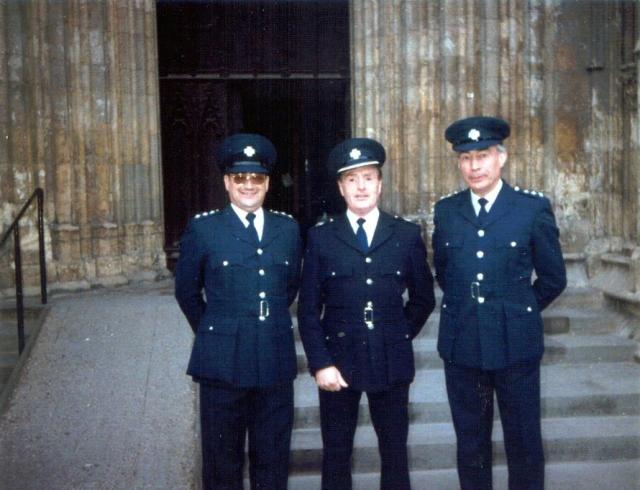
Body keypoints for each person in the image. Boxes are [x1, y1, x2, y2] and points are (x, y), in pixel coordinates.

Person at [432, 116, 567, 490]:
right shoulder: (446, 211)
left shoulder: (530, 208)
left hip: (516, 345)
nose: (474, 166)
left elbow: (554, 278)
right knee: (471, 443)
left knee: (523, 442)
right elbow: (445, 273)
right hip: (463, 346)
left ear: (501, 158)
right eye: (465, 158)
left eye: (483, 155)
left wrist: (516, 309)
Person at [298, 137, 436, 490]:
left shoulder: (405, 234)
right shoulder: (321, 237)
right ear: (341, 187)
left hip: (390, 360)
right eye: (352, 179)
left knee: (394, 452)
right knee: (336, 452)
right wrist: (320, 363)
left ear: (380, 184)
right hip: (337, 361)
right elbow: (309, 310)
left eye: (368, 177)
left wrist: (397, 334)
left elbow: (423, 299)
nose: (361, 186)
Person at [174, 133, 302, 490]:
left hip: (274, 359)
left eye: (256, 178)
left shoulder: (287, 229)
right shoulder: (204, 229)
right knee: (221, 463)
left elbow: (289, 287)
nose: (249, 186)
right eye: (240, 178)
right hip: (221, 364)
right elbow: (186, 292)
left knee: (273, 458)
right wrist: (217, 330)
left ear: (267, 183)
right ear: (227, 182)